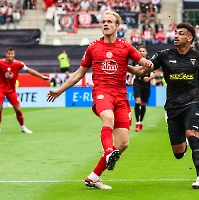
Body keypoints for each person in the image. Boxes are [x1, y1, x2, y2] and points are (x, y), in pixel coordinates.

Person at [46, 10, 153, 190]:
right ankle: (109, 151)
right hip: (102, 93)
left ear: (117, 26)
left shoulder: (126, 47)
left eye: (109, 21)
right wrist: (59, 90)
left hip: (121, 96)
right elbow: (79, 74)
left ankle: (94, 177)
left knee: (123, 143)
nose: (105, 24)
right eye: (103, 21)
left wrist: (148, 66)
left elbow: (142, 65)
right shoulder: (93, 47)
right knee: (108, 119)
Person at [128, 22, 199, 189]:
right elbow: (142, 71)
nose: (176, 36)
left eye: (181, 33)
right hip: (172, 108)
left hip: (193, 104)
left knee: (193, 136)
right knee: (178, 153)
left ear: (189, 38)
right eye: (176, 33)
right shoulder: (163, 55)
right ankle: (183, 138)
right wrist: (125, 66)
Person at [0, 47, 49, 135]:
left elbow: (29, 70)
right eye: (9, 53)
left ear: (14, 54)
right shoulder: (0, 62)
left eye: (12, 54)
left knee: (18, 109)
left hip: (11, 90)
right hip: (1, 89)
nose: (11, 55)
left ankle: (23, 127)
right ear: (6, 54)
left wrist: (41, 76)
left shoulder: (18, 64)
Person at [127, 45, 156, 132]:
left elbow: (155, 73)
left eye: (143, 51)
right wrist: (129, 79)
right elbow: (132, 71)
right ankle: (137, 122)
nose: (141, 53)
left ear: (146, 52)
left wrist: (149, 78)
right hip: (137, 83)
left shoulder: (150, 61)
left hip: (146, 85)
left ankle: (141, 121)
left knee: (143, 103)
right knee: (137, 101)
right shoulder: (135, 61)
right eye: (140, 51)